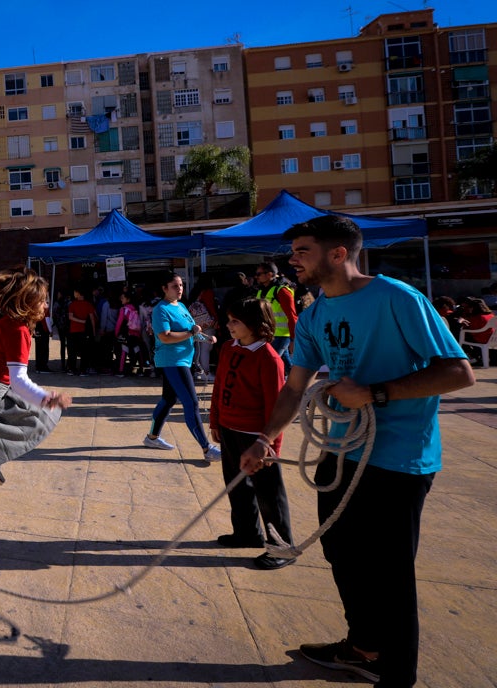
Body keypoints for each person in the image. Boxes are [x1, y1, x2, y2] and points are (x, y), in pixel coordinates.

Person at [240, 215, 474, 687]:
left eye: (302, 251)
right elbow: (293, 389)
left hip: (399, 459)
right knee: (341, 550)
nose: (292, 260)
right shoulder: (314, 314)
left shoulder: (397, 298)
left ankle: (397, 674)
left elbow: (458, 373)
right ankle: (364, 646)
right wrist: (266, 439)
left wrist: (375, 393)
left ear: (338, 253)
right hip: (341, 452)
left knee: (390, 573)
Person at [0, 267, 72, 485]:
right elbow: (19, 380)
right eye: (42, 301)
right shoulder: (17, 331)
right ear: (28, 303)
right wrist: (47, 398)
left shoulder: (10, 324)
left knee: (32, 416)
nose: (46, 306)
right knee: (39, 418)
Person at [209, 297, 292, 570]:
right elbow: (220, 384)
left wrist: (271, 447)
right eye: (229, 320)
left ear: (254, 325)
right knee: (236, 486)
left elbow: (276, 406)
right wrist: (215, 421)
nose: (228, 325)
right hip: (230, 430)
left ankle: (282, 547)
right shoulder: (227, 348)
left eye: (235, 321)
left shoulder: (269, 358)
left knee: (269, 495)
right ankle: (247, 532)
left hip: (256, 438)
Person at [144, 272, 221, 461]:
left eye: (181, 285)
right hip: (172, 360)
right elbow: (165, 336)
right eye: (175, 286)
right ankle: (206, 448)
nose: (180, 289)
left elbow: (193, 331)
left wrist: (206, 337)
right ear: (164, 289)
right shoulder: (160, 310)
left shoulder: (182, 306)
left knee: (168, 399)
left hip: (183, 359)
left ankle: (152, 438)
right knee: (191, 403)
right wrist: (191, 333)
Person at [255, 262, 298, 375]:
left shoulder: (282, 291)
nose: (257, 276)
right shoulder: (260, 291)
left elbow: (292, 316)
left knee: (270, 363)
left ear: (269, 274)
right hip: (268, 334)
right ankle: (297, 386)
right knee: (286, 365)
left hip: (282, 335)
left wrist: (294, 339)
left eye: (259, 274)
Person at [189, 274, 218, 382]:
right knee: (206, 348)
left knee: (198, 348)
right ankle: (206, 372)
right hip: (208, 323)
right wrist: (216, 319)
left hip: (196, 323)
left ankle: (198, 371)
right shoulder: (208, 292)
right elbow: (211, 307)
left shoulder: (194, 292)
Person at [114, 289, 146, 377]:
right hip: (137, 333)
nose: (121, 299)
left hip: (127, 333)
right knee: (137, 350)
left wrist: (116, 334)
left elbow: (119, 323)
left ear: (128, 299)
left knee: (124, 351)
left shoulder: (124, 309)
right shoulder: (138, 308)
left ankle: (121, 371)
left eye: (122, 298)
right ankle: (141, 370)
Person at [66, 288, 96, 376]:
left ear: (79, 294)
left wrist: (80, 321)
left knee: (72, 351)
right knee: (84, 351)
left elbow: (70, 317)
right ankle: (83, 370)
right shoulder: (88, 304)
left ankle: (72, 369)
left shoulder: (72, 304)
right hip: (83, 331)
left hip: (74, 330)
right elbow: (92, 319)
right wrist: (93, 332)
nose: (74, 294)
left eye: (75, 292)